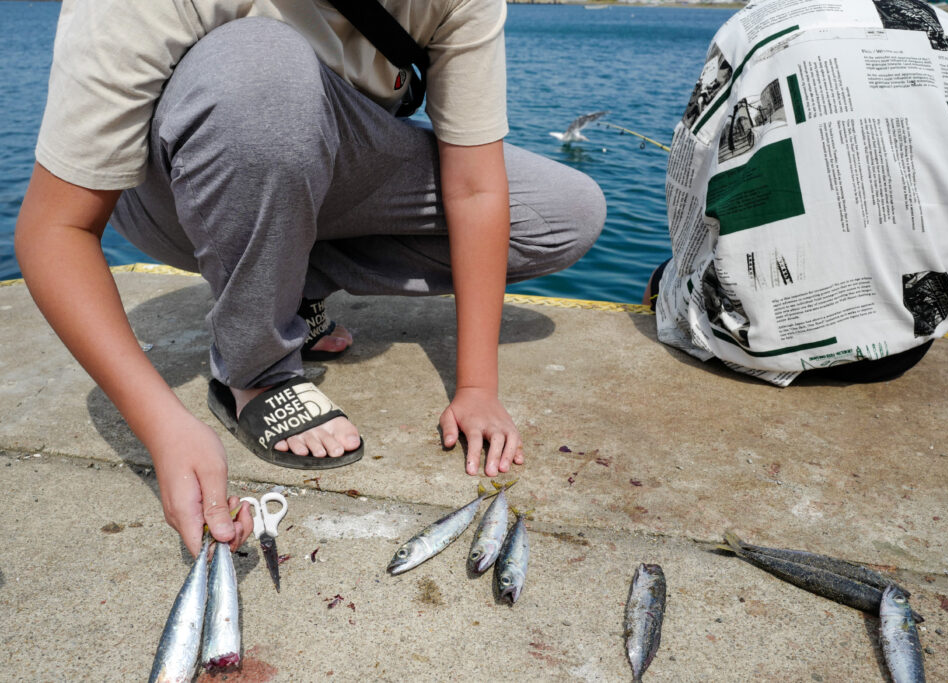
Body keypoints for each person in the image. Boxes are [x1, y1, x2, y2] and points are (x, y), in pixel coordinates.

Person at [14, 0, 605, 557]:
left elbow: (476, 187)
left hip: (329, 159)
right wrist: (163, 425)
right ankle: (256, 367)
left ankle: (289, 281)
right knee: (263, 71)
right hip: (179, 188)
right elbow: (55, 230)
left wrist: (477, 387)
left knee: (561, 216)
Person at [646, 0, 948, 387]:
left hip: (754, 349)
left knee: (666, 275)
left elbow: (689, 187)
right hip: (908, 343)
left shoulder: (749, 29)